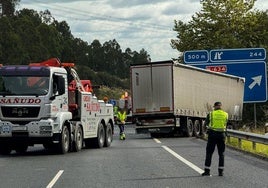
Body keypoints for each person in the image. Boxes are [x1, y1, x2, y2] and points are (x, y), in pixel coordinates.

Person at [202, 102, 228, 177]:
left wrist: (205, 133)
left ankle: (207, 171)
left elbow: (205, 124)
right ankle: (221, 172)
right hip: (222, 135)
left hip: (212, 135)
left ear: (215, 107)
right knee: (221, 154)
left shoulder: (211, 114)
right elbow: (225, 124)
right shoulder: (225, 114)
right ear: (221, 106)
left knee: (209, 153)